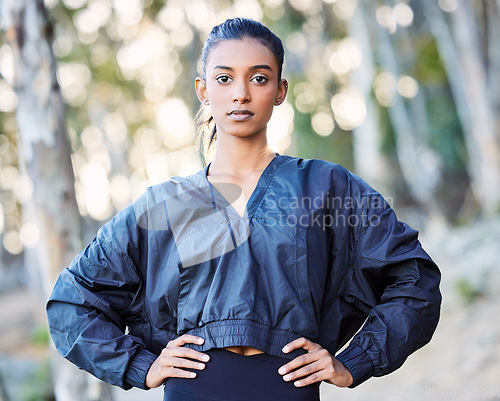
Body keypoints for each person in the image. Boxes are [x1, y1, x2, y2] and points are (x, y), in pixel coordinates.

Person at [46, 17, 441, 401]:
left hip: (287, 388)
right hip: (193, 390)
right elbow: (72, 301)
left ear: (280, 89)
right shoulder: (164, 205)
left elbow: (415, 281)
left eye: (258, 78)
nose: (240, 93)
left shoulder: (327, 187)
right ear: (203, 90)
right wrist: (140, 365)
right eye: (224, 78)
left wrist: (354, 361)